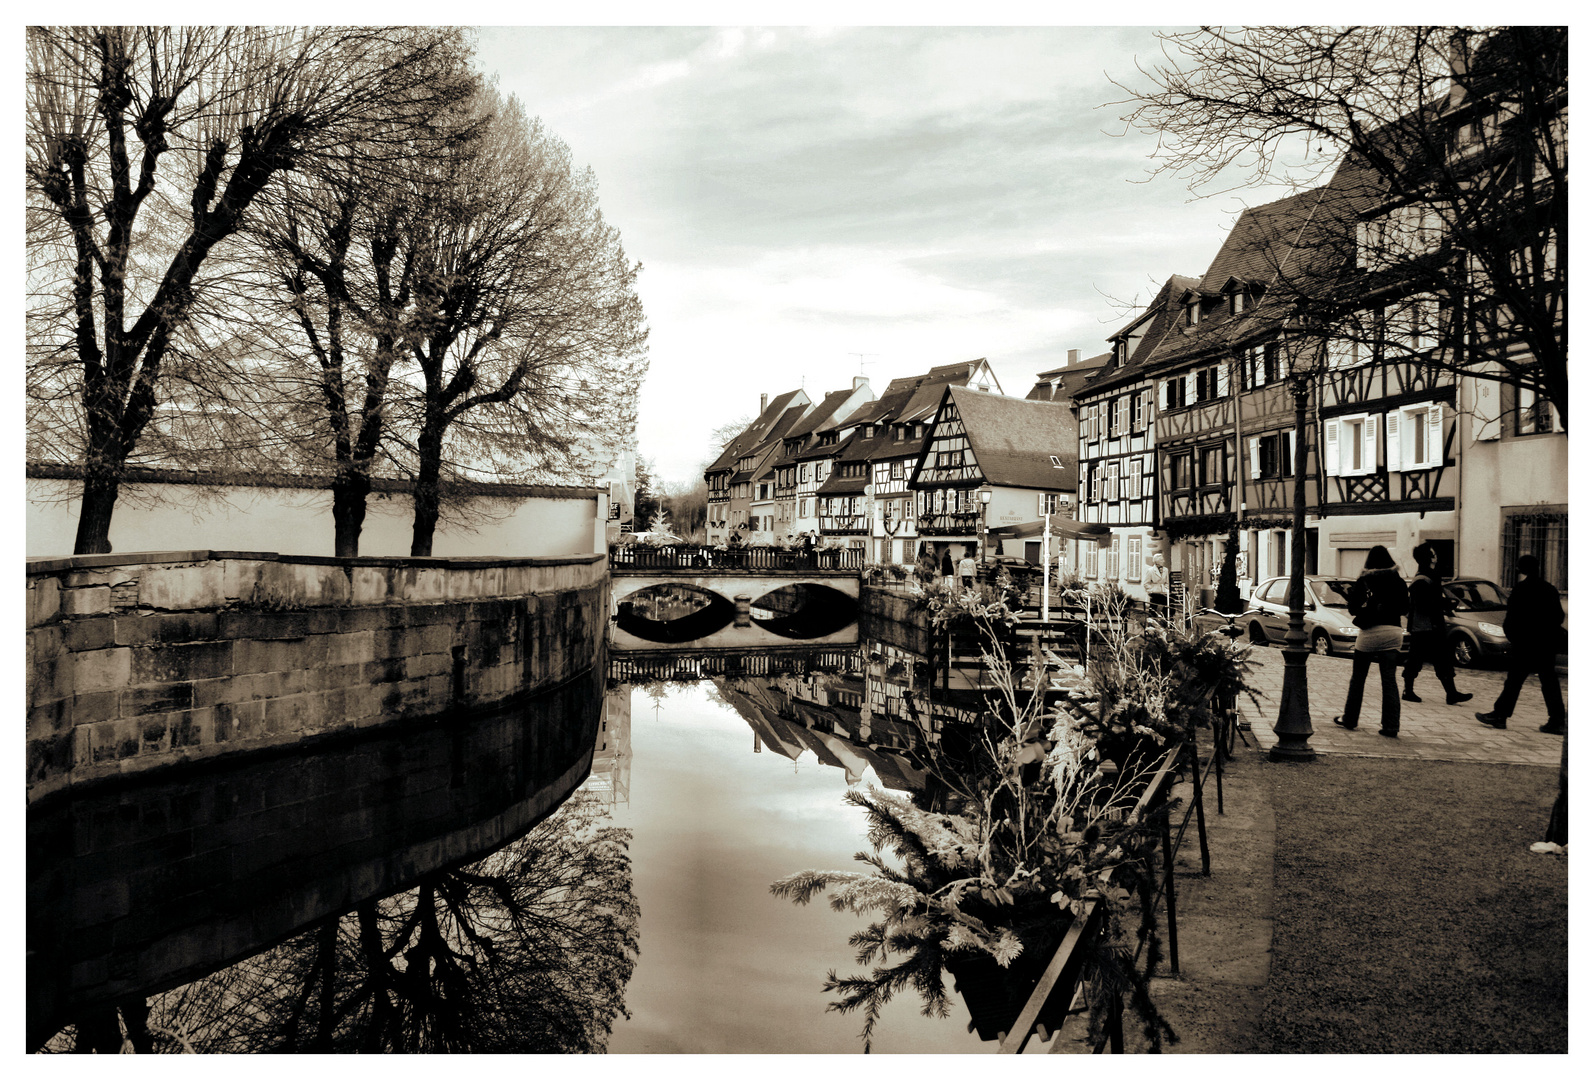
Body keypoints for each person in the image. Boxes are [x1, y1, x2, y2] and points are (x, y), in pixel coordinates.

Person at [1476, 554, 1566, 734]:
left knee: (1514, 681)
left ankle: (1500, 716)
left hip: (1525, 644)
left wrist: (1514, 637)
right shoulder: (1549, 589)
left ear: (1522, 570)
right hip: (1546, 643)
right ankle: (1557, 720)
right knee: (1549, 682)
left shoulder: (1520, 590)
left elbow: (1511, 620)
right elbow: (1558, 616)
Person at [1333, 544, 1409, 737]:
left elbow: (1353, 609)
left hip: (1370, 633)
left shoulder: (1364, 580)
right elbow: (1405, 608)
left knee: (1358, 678)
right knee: (1389, 680)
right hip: (1393, 633)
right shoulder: (1398, 581)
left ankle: (1350, 719)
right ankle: (1391, 726)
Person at [1402, 543, 1471, 706]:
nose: (1436, 556)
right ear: (1428, 558)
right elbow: (1424, 605)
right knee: (1416, 660)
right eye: (1433, 554)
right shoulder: (1422, 580)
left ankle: (1451, 693)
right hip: (1424, 627)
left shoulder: (1430, 576)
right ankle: (1408, 691)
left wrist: (1445, 603)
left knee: (1442, 659)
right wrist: (1445, 604)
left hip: (1431, 625)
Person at [1144, 553, 1169, 619]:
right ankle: (1151, 624)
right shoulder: (1150, 571)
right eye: (1162, 560)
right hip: (1154, 594)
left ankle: (1165, 622)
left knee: (1167, 607)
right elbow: (1146, 583)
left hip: (1163, 592)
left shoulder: (1165, 570)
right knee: (1153, 610)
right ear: (1157, 561)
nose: (1164, 561)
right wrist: (1152, 590)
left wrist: (1166, 589)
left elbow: (1167, 582)